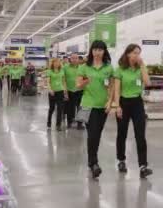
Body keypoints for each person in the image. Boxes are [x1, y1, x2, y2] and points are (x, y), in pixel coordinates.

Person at [111, 43, 153, 178]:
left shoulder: (140, 68)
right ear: (128, 53)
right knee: (122, 133)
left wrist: (142, 65)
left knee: (140, 135)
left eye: (139, 53)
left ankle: (143, 165)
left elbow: (147, 83)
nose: (137, 55)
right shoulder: (120, 70)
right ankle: (121, 160)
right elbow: (117, 89)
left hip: (137, 103)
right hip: (123, 102)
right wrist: (117, 106)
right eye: (135, 52)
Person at [77, 40, 114, 179]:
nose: (97, 52)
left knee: (97, 134)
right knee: (92, 134)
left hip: (102, 106)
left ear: (104, 51)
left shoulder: (109, 68)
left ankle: (91, 161)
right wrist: (85, 81)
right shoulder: (84, 67)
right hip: (87, 105)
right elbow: (78, 85)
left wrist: (110, 102)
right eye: (95, 50)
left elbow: (111, 86)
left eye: (100, 50)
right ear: (91, 51)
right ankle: (94, 163)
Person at [46, 58, 67, 131]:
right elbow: (48, 82)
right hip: (52, 92)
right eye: (55, 62)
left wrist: (65, 90)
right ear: (52, 63)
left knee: (60, 109)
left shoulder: (62, 71)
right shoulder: (49, 71)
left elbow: (64, 81)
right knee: (52, 108)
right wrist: (50, 89)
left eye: (58, 62)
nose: (57, 64)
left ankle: (58, 125)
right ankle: (49, 122)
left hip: (60, 91)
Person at [64, 53, 83, 129]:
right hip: (69, 90)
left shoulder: (82, 68)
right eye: (73, 58)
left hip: (80, 90)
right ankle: (69, 123)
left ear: (78, 59)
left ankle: (80, 124)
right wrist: (65, 91)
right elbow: (63, 79)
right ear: (70, 59)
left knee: (80, 108)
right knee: (70, 108)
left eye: (76, 58)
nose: (74, 60)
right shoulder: (65, 67)